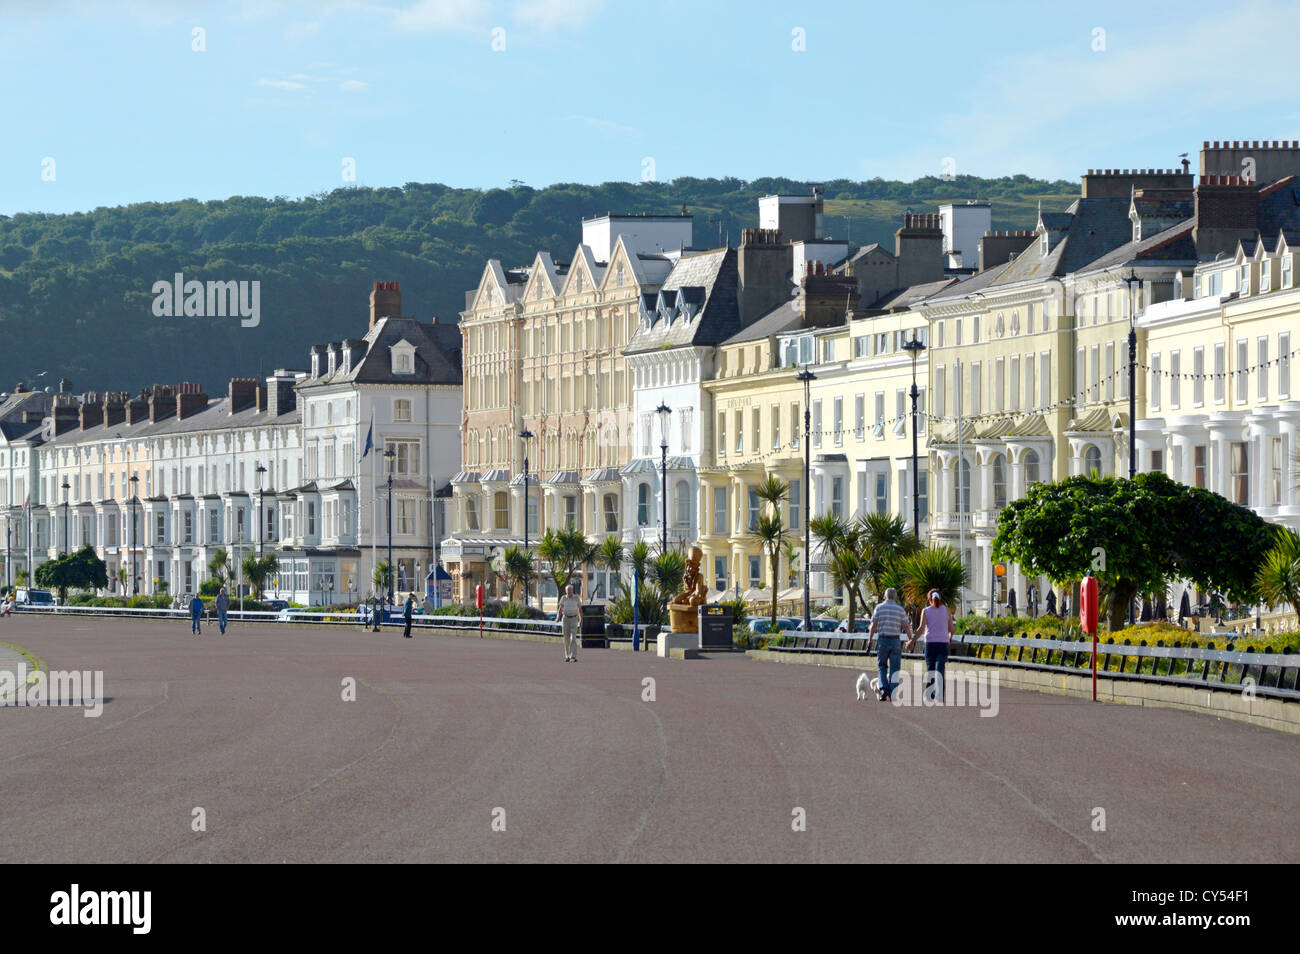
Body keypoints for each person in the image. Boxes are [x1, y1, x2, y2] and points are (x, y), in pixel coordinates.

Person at [908, 589, 954, 703]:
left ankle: (929, 695)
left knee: (930, 669)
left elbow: (921, 629)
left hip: (930, 644)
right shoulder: (946, 610)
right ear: (940, 598)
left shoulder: (926, 611)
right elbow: (952, 629)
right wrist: (950, 638)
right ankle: (940, 695)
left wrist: (912, 641)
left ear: (929, 599)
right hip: (943, 643)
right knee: (940, 669)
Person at [868, 587, 913, 701]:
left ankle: (883, 689)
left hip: (882, 640)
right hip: (895, 641)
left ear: (885, 596)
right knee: (895, 667)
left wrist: (870, 639)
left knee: (882, 666)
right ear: (895, 597)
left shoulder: (879, 608)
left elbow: (873, 625)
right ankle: (893, 692)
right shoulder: (900, 609)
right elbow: (907, 626)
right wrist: (910, 639)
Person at [558, 584, 583, 662]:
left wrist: (581, 619)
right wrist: (558, 617)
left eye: (570, 591)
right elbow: (560, 609)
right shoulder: (563, 598)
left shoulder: (576, 598)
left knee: (573, 638)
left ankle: (573, 656)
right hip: (565, 619)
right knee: (566, 638)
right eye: (567, 591)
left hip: (574, 619)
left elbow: (580, 609)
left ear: (572, 591)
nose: (569, 593)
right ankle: (567, 656)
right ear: (566, 591)